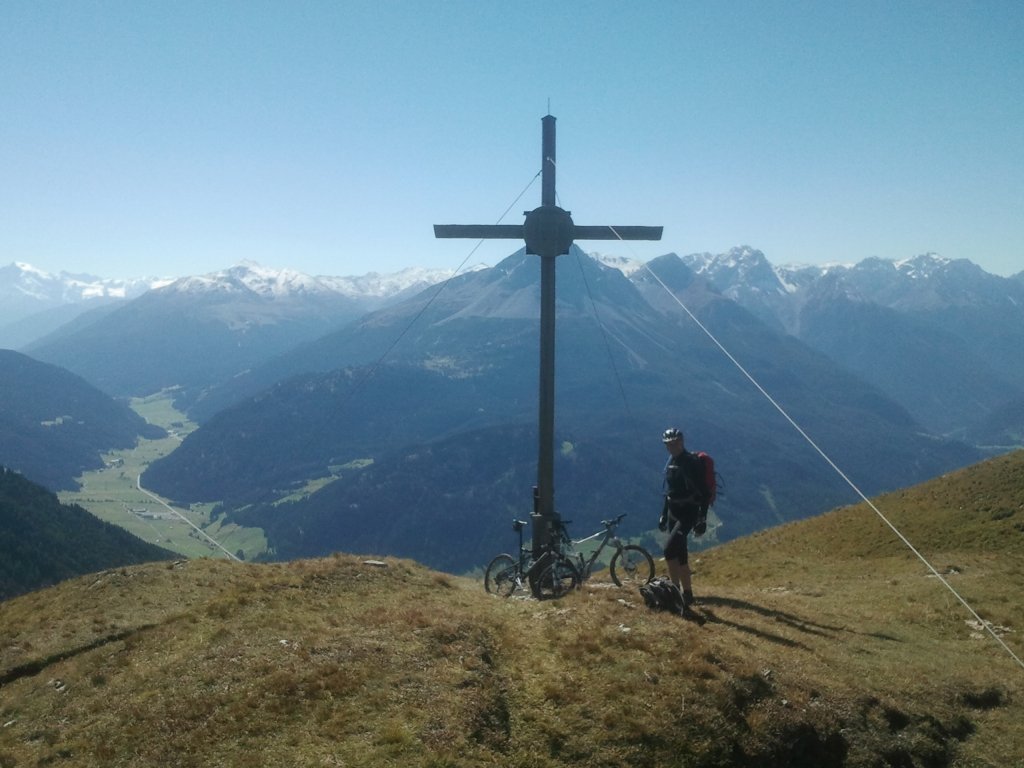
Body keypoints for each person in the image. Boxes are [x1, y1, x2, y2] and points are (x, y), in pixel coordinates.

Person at [658, 427, 709, 609]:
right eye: (667, 444)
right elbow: (669, 493)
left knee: (669, 550)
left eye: (674, 443)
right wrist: (663, 514)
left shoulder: (691, 462)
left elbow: (705, 492)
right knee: (680, 555)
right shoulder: (671, 462)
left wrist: (702, 518)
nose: (671, 447)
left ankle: (676, 592)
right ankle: (685, 594)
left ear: (681, 442)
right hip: (673, 512)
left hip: (688, 513)